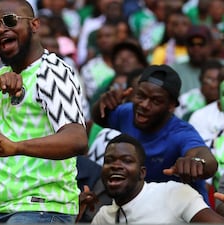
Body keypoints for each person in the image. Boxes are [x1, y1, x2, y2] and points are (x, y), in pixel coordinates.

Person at [0, 0, 88, 223]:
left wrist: (17, 147)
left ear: (34, 25)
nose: (1, 29)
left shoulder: (51, 72)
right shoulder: (1, 76)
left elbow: (77, 139)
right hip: (2, 208)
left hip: (42, 206)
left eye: (10, 21)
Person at [92, 64, 218, 204]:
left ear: (171, 106)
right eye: (140, 96)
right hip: (142, 205)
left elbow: (207, 159)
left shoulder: (180, 132)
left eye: (155, 101)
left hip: (181, 211)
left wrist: (197, 163)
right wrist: (103, 103)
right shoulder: (127, 112)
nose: (144, 105)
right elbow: (100, 118)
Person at [88, 133, 224, 224]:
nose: (116, 166)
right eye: (109, 160)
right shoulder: (103, 217)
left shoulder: (174, 194)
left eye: (127, 160)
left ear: (142, 173)